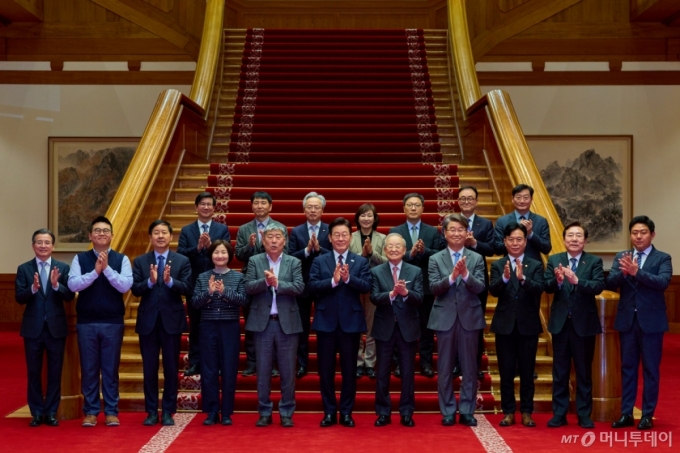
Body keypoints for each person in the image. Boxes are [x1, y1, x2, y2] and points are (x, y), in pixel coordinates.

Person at [606, 215, 672, 431]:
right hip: (627, 321)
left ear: (652, 234)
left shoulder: (662, 258)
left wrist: (638, 272)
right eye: (634, 233)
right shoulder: (622, 256)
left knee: (651, 369)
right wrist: (624, 273)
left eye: (643, 232)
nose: (638, 236)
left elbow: (663, 282)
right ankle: (626, 413)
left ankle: (647, 415)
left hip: (652, 323)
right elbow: (610, 282)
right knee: (628, 368)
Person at [67, 216, 133, 427]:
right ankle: (91, 411)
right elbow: (73, 285)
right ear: (90, 235)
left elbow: (125, 286)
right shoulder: (80, 259)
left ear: (112, 235)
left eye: (105, 230)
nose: (101, 233)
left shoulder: (122, 259)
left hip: (113, 322)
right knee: (89, 369)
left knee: (110, 370)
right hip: (86, 322)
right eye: (97, 230)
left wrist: (106, 269)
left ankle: (111, 411)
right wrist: (95, 272)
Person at [308, 217, 372, 427]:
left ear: (351, 237)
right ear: (329, 237)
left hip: (350, 323)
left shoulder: (360, 261)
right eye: (337, 235)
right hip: (325, 322)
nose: (341, 238)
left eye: (345, 234)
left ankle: (346, 412)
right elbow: (312, 286)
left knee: (349, 371)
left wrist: (348, 279)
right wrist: (333, 281)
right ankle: (328, 412)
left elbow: (366, 286)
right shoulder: (320, 260)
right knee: (325, 371)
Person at [132, 220, 193, 427]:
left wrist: (169, 282)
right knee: (149, 369)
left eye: (164, 232)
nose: (160, 236)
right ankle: (151, 411)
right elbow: (135, 289)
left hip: (171, 322)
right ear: (150, 237)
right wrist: (150, 281)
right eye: (156, 233)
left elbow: (187, 288)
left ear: (170, 236)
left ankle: (168, 411)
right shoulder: (141, 261)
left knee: (170, 368)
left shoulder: (182, 261)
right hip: (148, 322)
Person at [544, 221, 604, 429]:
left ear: (585, 240)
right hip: (560, 324)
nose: (574, 239)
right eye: (570, 235)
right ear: (564, 239)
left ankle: (584, 414)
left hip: (584, 325)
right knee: (560, 372)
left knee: (583, 372)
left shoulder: (594, 261)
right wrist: (558, 280)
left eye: (579, 236)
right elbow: (547, 287)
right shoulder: (555, 260)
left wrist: (578, 281)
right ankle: (559, 414)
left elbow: (598, 286)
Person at [428, 214, 486, 426]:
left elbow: (480, 287)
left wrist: (466, 275)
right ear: (444, 233)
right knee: (444, 368)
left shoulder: (476, 258)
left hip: (469, 317)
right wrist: (452, 276)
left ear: (467, 233)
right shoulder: (435, 259)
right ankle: (448, 410)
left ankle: (467, 410)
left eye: (461, 229)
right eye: (452, 229)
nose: (456, 233)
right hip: (445, 318)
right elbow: (434, 288)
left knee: (470, 367)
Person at [245, 224, 305, 428]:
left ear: (284, 241)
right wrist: (265, 282)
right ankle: (264, 411)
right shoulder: (254, 261)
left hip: (287, 324)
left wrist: (277, 283)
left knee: (288, 371)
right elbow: (248, 287)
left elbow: (299, 287)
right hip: (263, 324)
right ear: (263, 241)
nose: (273, 240)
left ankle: (287, 412)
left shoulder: (294, 262)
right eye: (269, 236)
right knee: (262, 371)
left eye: (277, 236)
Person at [15, 228, 75, 427]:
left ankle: (50, 412)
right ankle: (36, 412)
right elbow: (19, 297)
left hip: (56, 328)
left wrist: (57, 286)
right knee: (33, 372)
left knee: (55, 372)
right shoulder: (24, 269)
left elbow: (69, 296)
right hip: (32, 328)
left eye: (47, 242)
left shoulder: (63, 268)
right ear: (33, 246)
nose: (43, 246)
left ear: (53, 246)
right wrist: (32, 289)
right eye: (39, 242)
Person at [489, 222, 544, 428]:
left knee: (528, 372)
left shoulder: (535, 264)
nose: (515, 243)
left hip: (528, 325)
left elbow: (539, 289)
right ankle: (509, 412)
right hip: (504, 326)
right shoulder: (498, 264)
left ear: (525, 241)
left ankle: (527, 412)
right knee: (506, 372)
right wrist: (504, 279)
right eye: (511, 239)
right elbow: (493, 291)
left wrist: (523, 279)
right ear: (504, 242)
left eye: (519, 239)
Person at [370, 233, 423, 428]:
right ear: (384, 250)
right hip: (384, 328)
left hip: (407, 328)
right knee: (382, 373)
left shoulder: (415, 271)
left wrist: (406, 293)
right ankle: (383, 412)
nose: (393, 249)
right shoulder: (376, 271)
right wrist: (392, 294)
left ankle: (407, 412)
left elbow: (420, 298)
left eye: (397, 246)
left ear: (404, 250)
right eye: (390, 246)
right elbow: (374, 297)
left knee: (407, 373)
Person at [192, 239, 247, 426]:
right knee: (209, 370)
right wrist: (208, 292)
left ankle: (227, 412)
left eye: (223, 252)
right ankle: (212, 411)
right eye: (216, 252)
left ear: (229, 255)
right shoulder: (203, 277)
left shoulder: (238, 277)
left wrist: (224, 292)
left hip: (230, 327)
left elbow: (243, 301)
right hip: (207, 327)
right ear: (211, 255)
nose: (220, 256)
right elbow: (195, 303)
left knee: (230, 369)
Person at [389, 192, 444, 378]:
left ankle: (426, 362)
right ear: (404, 208)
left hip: (426, 287)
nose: (413, 208)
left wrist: (424, 251)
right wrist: (410, 254)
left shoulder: (432, 231)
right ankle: (400, 362)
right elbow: (390, 255)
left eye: (417, 205)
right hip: (401, 285)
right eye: (410, 205)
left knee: (426, 327)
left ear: (423, 208)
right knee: (401, 325)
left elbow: (439, 254)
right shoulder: (395, 232)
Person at [177, 191, 231, 377]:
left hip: (217, 283)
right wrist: (198, 247)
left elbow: (227, 253)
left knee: (216, 326)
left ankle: (216, 362)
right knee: (196, 326)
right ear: (196, 207)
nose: (206, 207)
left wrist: (210, 247)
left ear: (214, 208)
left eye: (209, 204)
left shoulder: (221, 229)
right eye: (202, 204)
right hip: (194, 285)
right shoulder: (187, 230)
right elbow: (181, 255)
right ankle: (195, 362)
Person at [235, 191, 288, 377]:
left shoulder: (280, 227)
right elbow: (239, 255)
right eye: (256, 203)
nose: (259, 206)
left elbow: (286, 253)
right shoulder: (244, 229)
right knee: (252, 324)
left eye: (263, 203)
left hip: (275, 279)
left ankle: (272, 364)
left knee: (273, 326)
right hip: (252, 280)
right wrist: (250, 246)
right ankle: (252, 363)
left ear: (270, 206)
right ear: (252, 206)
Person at [288, 191, 331, 378]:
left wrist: (319, 250)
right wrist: (306, 250)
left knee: (325, 326)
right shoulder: (297, 231)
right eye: (309, 207)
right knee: (302, 327)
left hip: (324, 284)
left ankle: (325, 363)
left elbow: (335, 254)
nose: (313, 210)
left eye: (316, 207)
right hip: (302, 285)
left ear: (322, 210)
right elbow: (290, 257)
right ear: (304, 210)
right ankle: (302, 363)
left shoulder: (330, 229)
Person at [457, 185, 496, 379]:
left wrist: (474, 243)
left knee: (476, 323)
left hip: (478, 280)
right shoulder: (451, 222)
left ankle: (475, 363)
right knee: (455, 323)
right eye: (463, 199)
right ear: (458, 201)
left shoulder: (485, 224)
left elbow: (492, 249)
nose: (466, 202)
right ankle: (457, 363)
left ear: (476, 201)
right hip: (455, 278)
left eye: (470, 198)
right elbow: (441, 247)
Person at [350, 203, 386, 379]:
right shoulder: (349, 237)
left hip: (375, 286)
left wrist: (372, 254)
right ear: (358, 218)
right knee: (356, 325)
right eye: (363, 215)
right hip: (354, 286)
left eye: (369, 215)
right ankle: (358, 362)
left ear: (374, 218)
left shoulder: (383, 238)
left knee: (372, 327)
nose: (366, 218)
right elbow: (346, 259)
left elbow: (388, 260)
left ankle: (370, 363)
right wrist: (362, 255)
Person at [494, 184, 551, 262]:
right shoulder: (502, 221)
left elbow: (546, 248)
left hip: (534, 267)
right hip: (510, 265)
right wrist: (512, 241)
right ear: (512, 199)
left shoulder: (541, 221)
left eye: (526, 198)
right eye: (518, 197)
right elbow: (497, 249)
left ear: (531, 199)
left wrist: (530, 234)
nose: (522, 201)